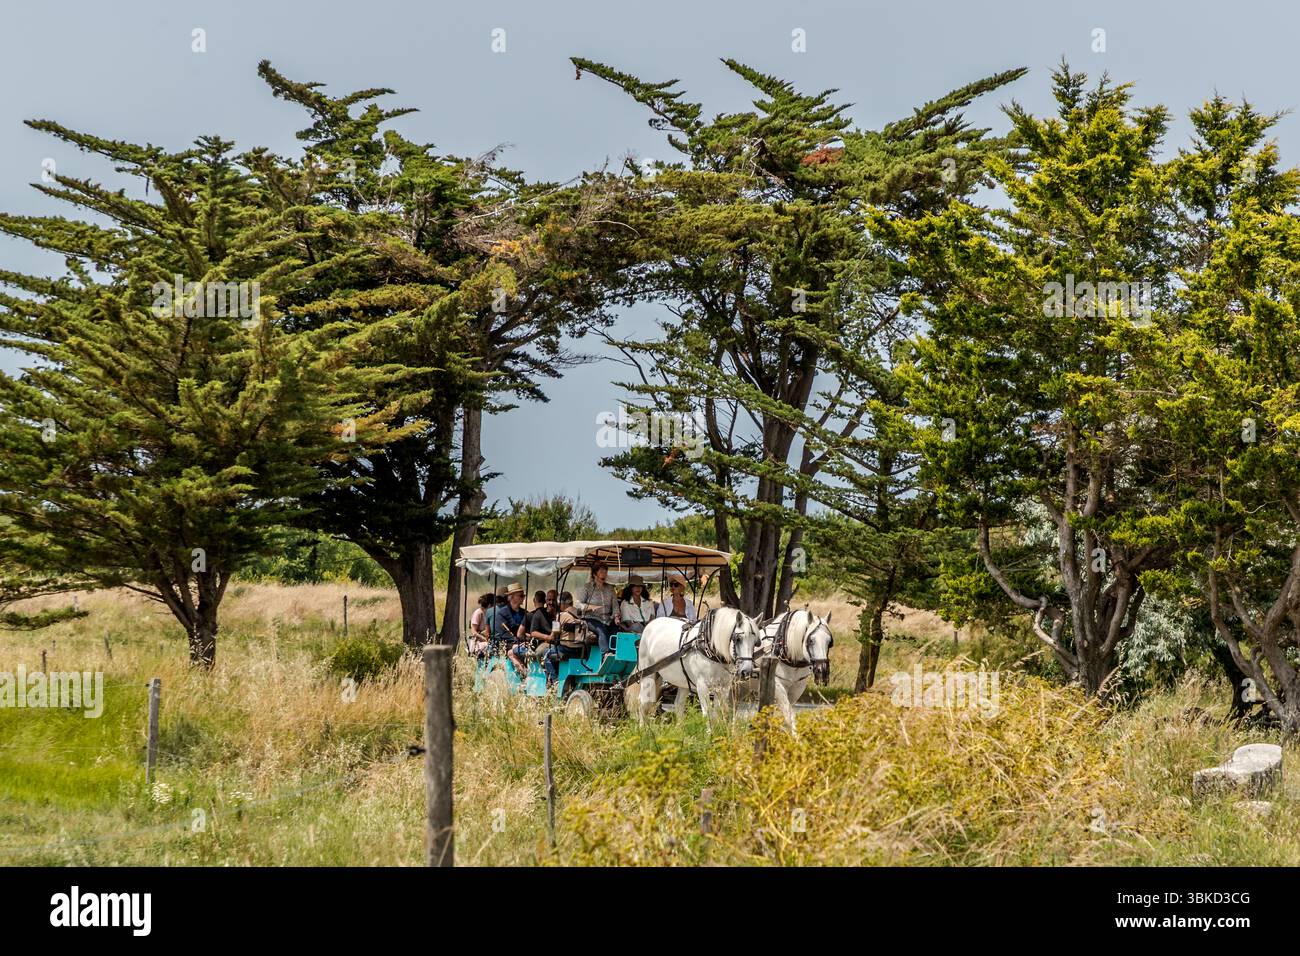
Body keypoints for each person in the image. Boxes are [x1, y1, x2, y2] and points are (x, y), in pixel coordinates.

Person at [573, 562, 620, 659]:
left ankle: (615, 653)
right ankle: (605, 654)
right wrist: (589, 607)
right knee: (601, 629)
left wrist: (616, 616)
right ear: (595, 574)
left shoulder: (610, 588)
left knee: (616, 629)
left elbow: (615, 605)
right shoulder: (587, 587)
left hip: (607, 619)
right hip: (591, 618)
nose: (604, 574)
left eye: (605, 572)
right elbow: (578, 604)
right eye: (601, 572)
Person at [543, 592, 586, 685]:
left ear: (561, 603)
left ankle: (555, 682)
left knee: (546, 654)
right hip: (580, 650)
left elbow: (552, 637)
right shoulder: (580, 614)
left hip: (566, 650)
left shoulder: (560, 616)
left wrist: (545, 638)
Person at [511, 589, 552, 677]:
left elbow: (519, 634)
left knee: (513, 651)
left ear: (534, 600)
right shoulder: (550, 613)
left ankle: (525, 674)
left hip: (537, 646)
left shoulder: (530, 615)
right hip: (548, 644)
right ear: (545, 601)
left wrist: (528, 638)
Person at [496, 583, 529, 676]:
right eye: (521, 596)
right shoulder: (502, 613)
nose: (524, 598)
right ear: (512, 597)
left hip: (523, 642)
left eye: (524, 595)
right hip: (508, 643)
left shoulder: (525, 613)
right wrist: (516, 642)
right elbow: (503, 633)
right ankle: (525, 675)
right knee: (512, 652)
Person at [469, 592, 494, 657]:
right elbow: (474, 632)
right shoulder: (478, 613)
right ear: (489, 605)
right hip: (477, 643)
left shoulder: (489, 613)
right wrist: (484, 638)